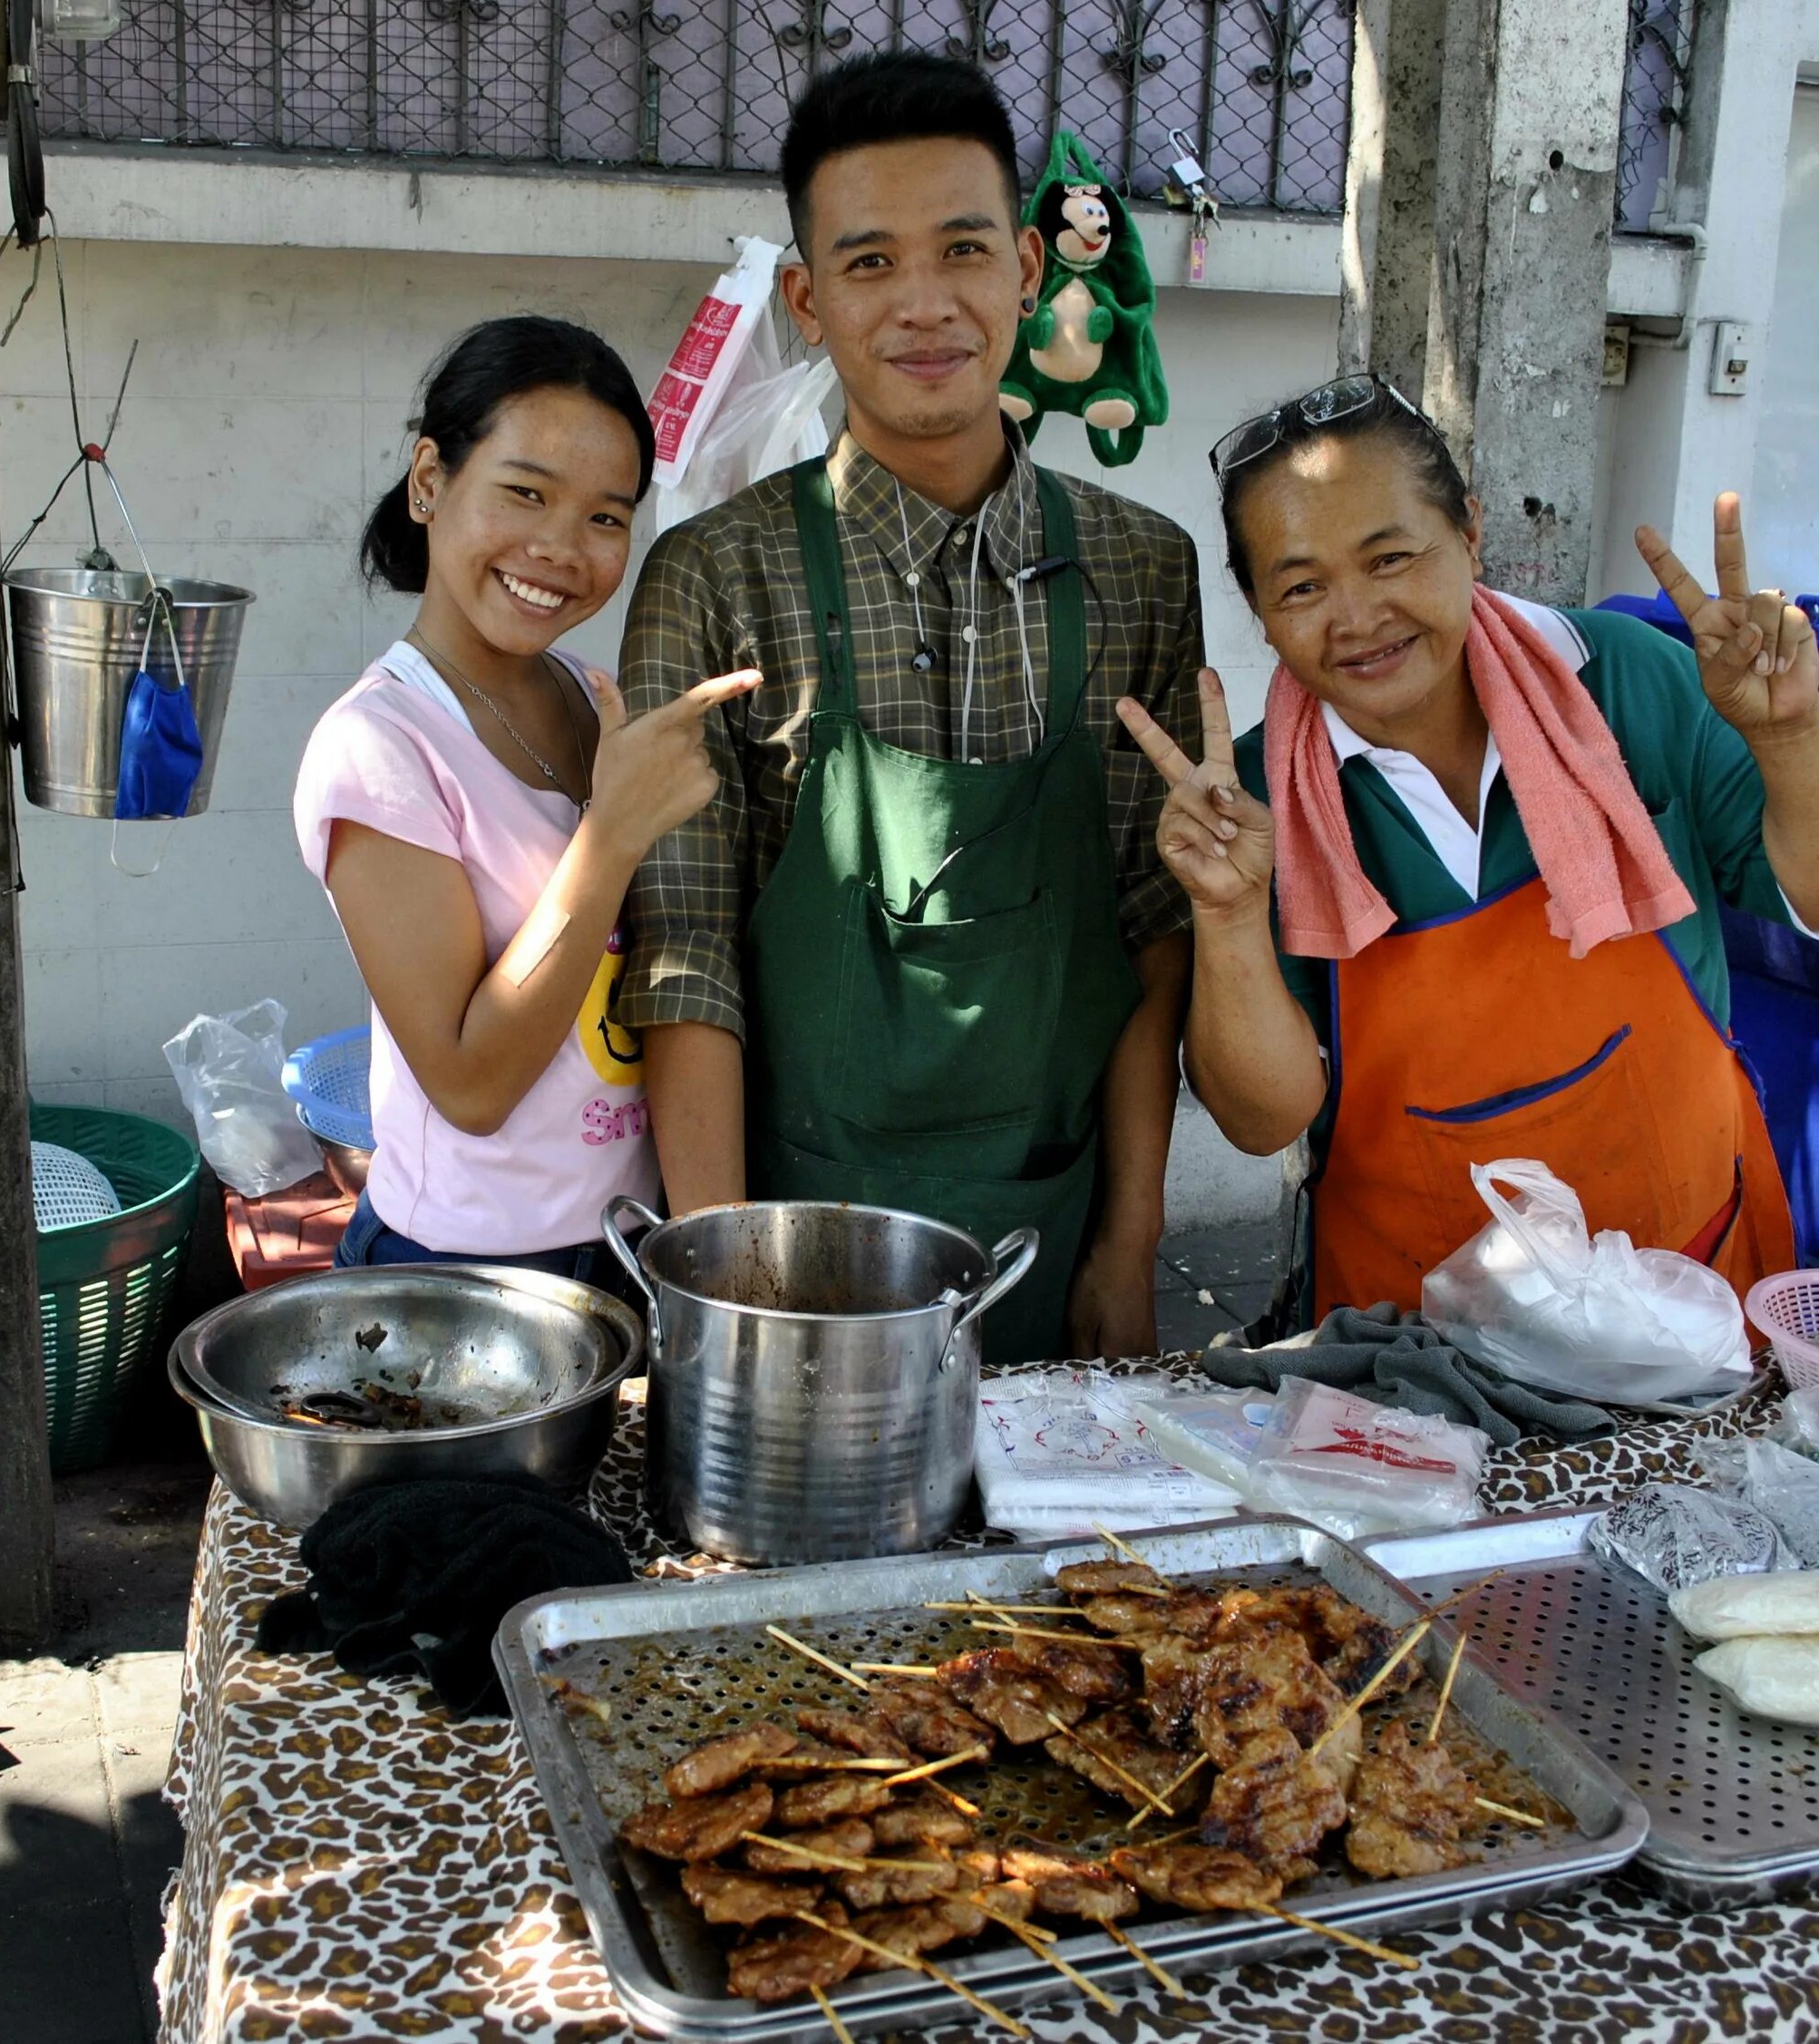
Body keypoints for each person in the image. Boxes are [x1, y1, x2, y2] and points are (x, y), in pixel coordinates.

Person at [613, 53, 1207, 1363]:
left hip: (1056, 1239)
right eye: (871, 262)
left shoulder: (1143, 571)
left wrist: (1129, 1244)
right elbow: (685, 954)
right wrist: (724, 1289)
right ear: (807, 300)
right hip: (788, 1254)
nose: (924, 303)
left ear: (1029, 270)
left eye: (964, 250)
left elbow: (1153, 928)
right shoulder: (714, 577)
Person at [1117, 376, 1819, 1326]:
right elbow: (1261, 1120)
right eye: (1303, 586)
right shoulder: (1252, 805)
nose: (1357, 617)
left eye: (1390, 558)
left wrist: (1789, 732)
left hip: (1687, 1299)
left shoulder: (1624, 681)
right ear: (1258, 607)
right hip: (1414, 1341)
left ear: (1470, 533)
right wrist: (1231, 911)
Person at [292, 316, 758, 1282]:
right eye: (525, 493)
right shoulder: (380, 746)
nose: (559, 548)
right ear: (430, 480)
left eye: (606, 518)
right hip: (462, 1273)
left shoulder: (595, 700)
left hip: (630, 1248)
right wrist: (612, 834)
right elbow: (471, 1085)